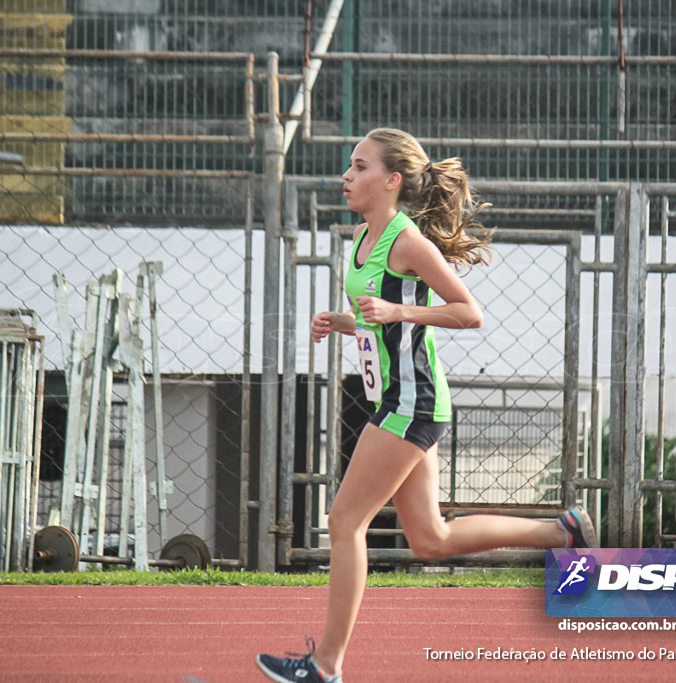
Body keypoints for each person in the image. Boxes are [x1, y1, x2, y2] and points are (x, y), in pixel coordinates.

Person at [255, 128, 597, 683]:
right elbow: (384, 315)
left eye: (360, 167)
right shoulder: (364, 240)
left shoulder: (407, 241)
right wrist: (348, 322)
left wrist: (397, 313)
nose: (347, 175)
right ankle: (563, 532)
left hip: (411, 402)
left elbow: (469, 312)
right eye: (349, 165)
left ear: (391, 181)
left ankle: (325, 667)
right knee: (430, 538)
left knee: (344, 521)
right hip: (399, 398)